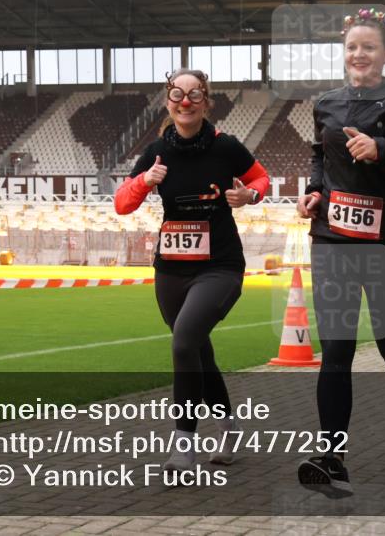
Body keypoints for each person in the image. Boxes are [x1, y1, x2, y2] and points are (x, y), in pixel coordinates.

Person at [295, 8, 385, 498]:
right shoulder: (327, 105)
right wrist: (315, 190)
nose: (359, 54)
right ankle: (332, 458)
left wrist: (384, 152)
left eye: (369, 47)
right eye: (352, 46)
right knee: (335, 350)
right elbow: (321, 155)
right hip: (333, 238)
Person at [114, 68, 269, 472]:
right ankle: (230, 427)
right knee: (197, 349)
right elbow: (122, 204)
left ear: (206, 102)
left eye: (195, 94)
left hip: (220, 265)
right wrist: (145, 180)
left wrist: (249, 195)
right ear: (168, 100)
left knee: (184, 342)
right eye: (177, 93)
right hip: (172, 269)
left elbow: (261, 179)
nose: (185, 101)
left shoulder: (226, 147)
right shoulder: (156, 152)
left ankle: (184, 442)